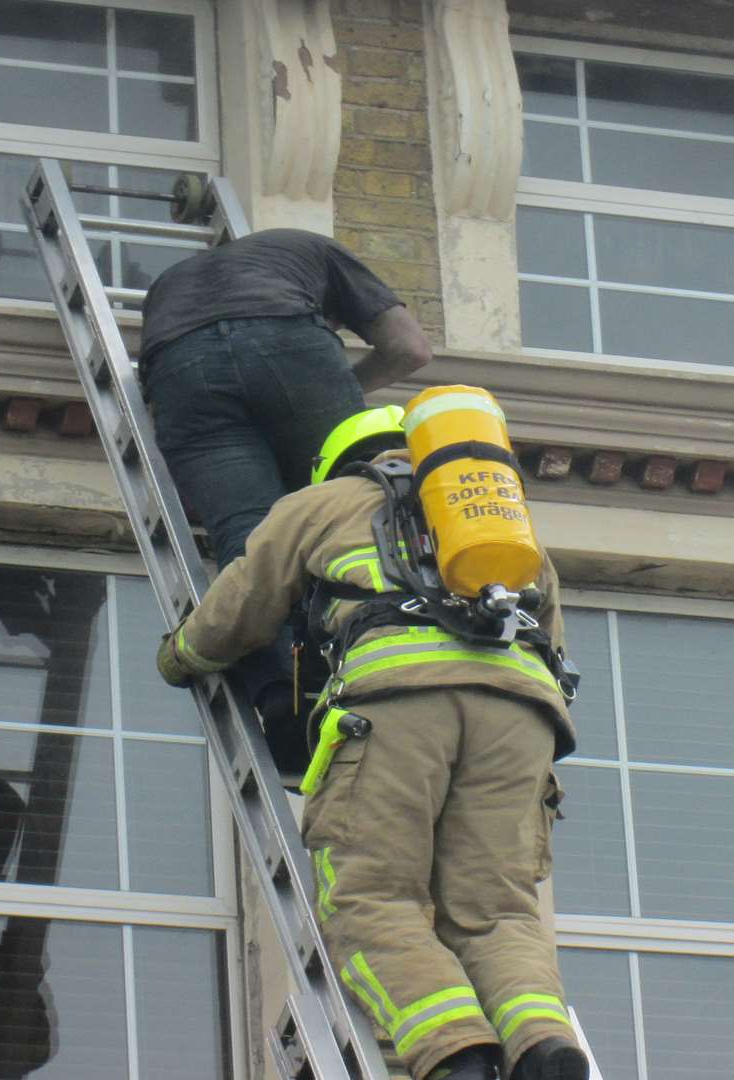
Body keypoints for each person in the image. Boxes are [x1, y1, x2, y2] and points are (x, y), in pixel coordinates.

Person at [153, 407, 589, 1080]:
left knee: (372, 898)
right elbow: (552, 646)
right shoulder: (508, 525)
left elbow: (245, 599)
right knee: (496, 911)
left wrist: (182, 655)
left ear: (343, 461)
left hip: (396, 702)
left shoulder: (321, 503)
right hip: (522, 716)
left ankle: (455, 1055)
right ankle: (544, 1044)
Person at [139, 230, 433, 750]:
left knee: (248, 537)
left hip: (178, 370)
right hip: (290, 346)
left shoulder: (170, 282)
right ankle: (358, 677)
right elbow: (409, 348)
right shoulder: (313, 249)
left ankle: (278, 695)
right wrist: (325, 389)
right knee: (351, 513)